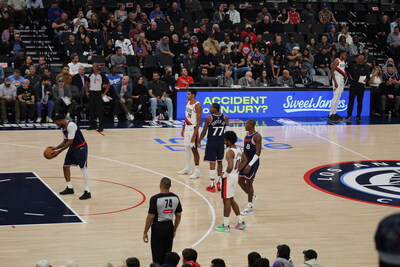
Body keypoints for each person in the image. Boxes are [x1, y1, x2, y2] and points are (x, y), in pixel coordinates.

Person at [143, 177, 182, 265]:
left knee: (157, 256)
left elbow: (150, 217)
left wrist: (145, 232)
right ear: (170, 186)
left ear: (160, 185)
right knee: (167, 254)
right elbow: (178, 216)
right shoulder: (175, 197)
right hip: (169, 227)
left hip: (158, 228)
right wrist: (174, 229)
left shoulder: (155, 198)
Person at [214, 131, 247, 233]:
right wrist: (237, 170)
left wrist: (224, 175)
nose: (224, 141)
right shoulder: (239, 149)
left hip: (228, 178)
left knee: (226, 201)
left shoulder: (229, 152)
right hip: (235, 176)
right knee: (231, 200)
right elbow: (245, 160)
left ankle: (226, 225)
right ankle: (240, 222)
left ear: (228, 140)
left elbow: (230, 166)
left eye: (225, 140)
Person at [52, 114, 91, 200]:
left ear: (61, 120)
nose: (57, 125)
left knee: (83, 168)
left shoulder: (71, 125)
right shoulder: (62, 128)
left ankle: (87, 191)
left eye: (57, 123)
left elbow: (69, 142)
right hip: (73, 148)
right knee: (65, 166)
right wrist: (55, 147)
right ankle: (69, 188)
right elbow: (65, 141)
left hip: (81, 147)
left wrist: (59, 152)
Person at [200, 102, 229, 192]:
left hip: (212, 142)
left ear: (215, 108)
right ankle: (219, 182)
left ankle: (212, 185)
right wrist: (227, 142)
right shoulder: (225, 117)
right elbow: (227, 132)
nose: (209, 109)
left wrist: (199, 140)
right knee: (220, 162)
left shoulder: (209, 118)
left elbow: (204, 131)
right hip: (220, 143)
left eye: (211, 107)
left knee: (212, 163)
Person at [237, 119, 262, 215]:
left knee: (249, 183)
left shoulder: (257, 136)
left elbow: (258, 153)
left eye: (246, 124)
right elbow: (246, 150)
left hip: (253, 162)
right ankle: (252, 196)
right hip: (245, 161)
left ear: (250, 125)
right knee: (240, 180)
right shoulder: (247, 135)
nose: (244, 126)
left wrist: (250, 164)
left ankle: (250, 207)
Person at [178, 89, 202, 178]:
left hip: (193, 128)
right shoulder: (187, 103)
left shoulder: (198, 105)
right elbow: (186, 117)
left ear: (193, 95)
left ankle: (197, 170)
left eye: (188, 94)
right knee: (187, 148)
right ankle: (188, 168)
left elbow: (199, 122)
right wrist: (183, 128)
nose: (187, 95)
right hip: (187, 127)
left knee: (194, 149)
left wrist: (195, 135)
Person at [86, 63, 110, 132]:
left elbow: (108, 84)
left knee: (99, 110)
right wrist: (87, 92)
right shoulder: (91, 74)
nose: (93, 68)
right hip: (91, 93)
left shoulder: (102, 74)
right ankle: (92, 125)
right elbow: (86, 82)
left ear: (97, 67)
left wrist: (104, 93)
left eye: (94, 67)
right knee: (92, 110)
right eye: (92, 67)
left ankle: (101, 126)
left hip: (98, 93)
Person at [346, 55, 370, 122]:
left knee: (360, 102)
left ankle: (358, 116)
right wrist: (351, 79)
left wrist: (366, 80)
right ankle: (349, 115)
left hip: (361, 87)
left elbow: (368, 77)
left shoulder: (366, 67)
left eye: (362, 59)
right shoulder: (353, 66)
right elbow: (349, 74)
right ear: (357, 60)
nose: (360, 60)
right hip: (353, 86)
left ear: (363, 60)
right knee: (351, 101)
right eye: (359, 59)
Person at [328, 51, 347, 121]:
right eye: (344, 54)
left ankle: (335, 112)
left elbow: (343, 70)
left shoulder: (343, 62)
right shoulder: (336, 60)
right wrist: (335, 82)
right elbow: (332, 71)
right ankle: (330, 114)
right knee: (335, 96)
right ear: (341, 54)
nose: (346, 56)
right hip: (337, 79)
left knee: (339, 96)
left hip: (341, 80)